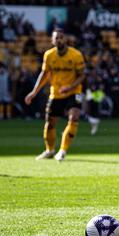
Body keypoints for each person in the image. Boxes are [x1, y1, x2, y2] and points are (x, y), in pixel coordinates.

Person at [25, 28, 86, 161]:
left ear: (66, 39)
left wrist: (70, 86)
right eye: (56, 38)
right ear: (52, 40)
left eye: (61, 37)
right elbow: (44, 74)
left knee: (74, 117)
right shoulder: (49, 55)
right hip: (56, 93)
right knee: (50, 123)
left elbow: (82, 76)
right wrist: (34, 92)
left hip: (73, 91)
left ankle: (62, 151)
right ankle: (49, 150)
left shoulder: (76, 55)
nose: (59, 40)